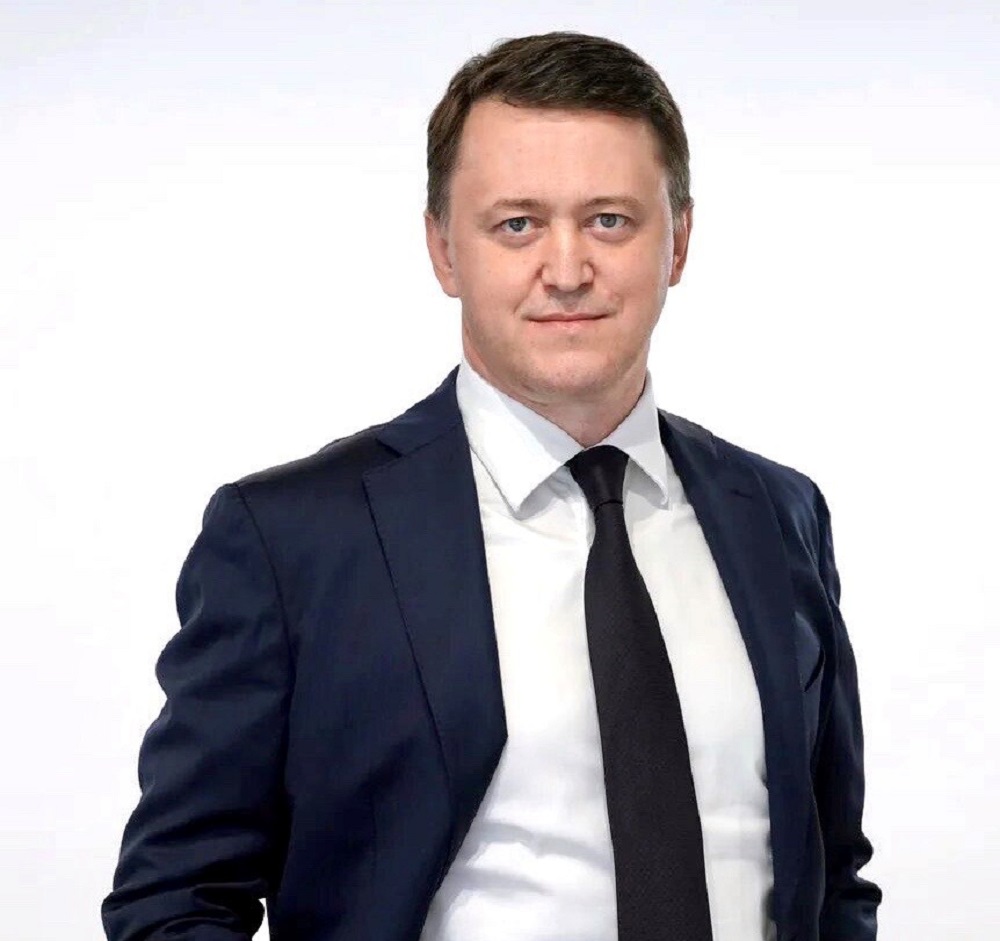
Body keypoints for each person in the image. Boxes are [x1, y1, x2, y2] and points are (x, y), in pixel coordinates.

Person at [102, 31, 881, 941]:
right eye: (517, 224)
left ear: (679, 241)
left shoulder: (779, 515)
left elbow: (833, 872)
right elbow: (176, 899)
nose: (567, 270)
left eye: (610, 220)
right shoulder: (294, 540)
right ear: (444, 250)